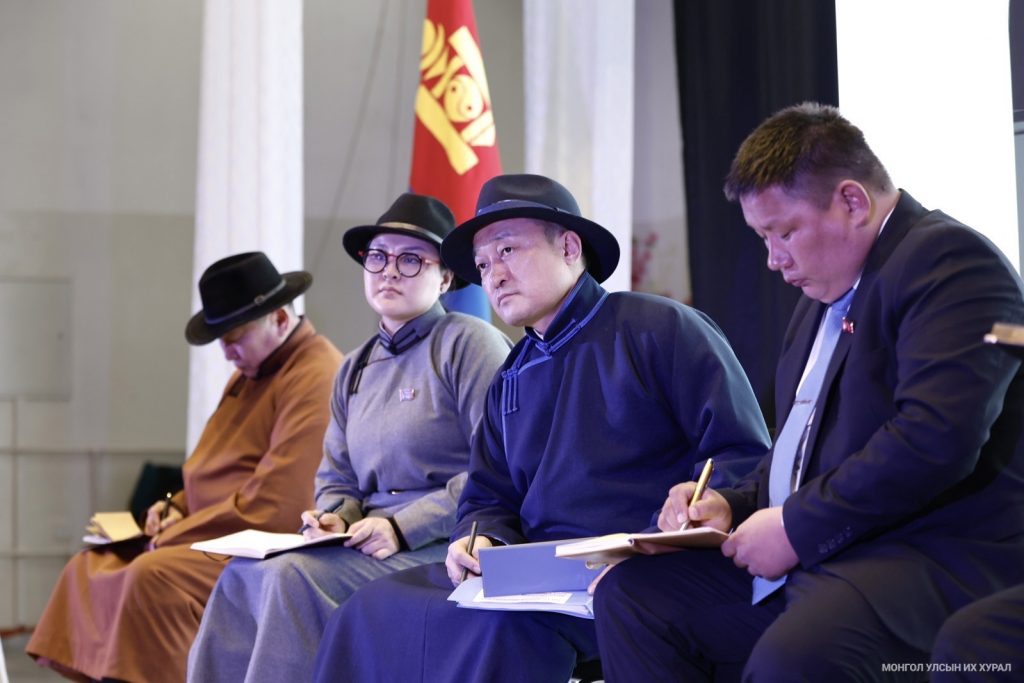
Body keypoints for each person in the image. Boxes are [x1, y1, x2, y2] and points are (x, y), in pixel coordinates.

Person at [593, 102, 1024, 681]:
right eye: (763, 238)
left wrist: (797, 526)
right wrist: (732, 504)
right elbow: (800, 451)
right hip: (832, 551)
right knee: (633, 597)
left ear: (852, 202)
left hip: (925, 555)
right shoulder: (820, 297)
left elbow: (935, 440)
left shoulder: (950, 263)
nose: (774, 260)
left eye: (785, 232)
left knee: (794, 656)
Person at [310, 173, 771, 682]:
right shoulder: (511, 374)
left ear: (570, 247)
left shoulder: (658, 328)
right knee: (369, 609)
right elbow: (487, 497)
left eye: (507, 250)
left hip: (638, 569)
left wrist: (704, 502)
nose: (494, 275)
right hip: (534, 572)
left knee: (501, 629)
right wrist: (479, 540)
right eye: (483, 264)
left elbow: (743, 453)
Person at [186, 193, 511, 682]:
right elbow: (336, 477)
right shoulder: (355, 366)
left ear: (445, 278)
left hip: (443, 544)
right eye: (377, 257)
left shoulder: (468, 343)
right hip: (366, 541)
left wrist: (401, 527)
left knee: (291, 577)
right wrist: (335, 517)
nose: (389, 272)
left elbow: (496, 471)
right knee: (238, 576)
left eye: (410, 260)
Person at [26, 252, 343, 683]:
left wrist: (176, 533)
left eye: (235, 338)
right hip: (212, 530)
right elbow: (212, 466)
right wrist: (174, 506)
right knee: (90, 566)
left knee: (151, 576)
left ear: (281, 319)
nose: (228, 353)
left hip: (263, 544)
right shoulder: (251, 372)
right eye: (222, 341)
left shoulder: (316, 374)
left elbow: (279, 504)